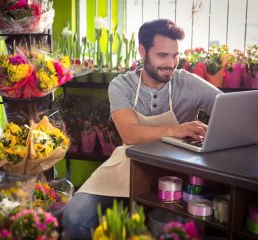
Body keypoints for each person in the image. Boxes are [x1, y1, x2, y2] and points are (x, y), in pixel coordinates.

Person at [61, 18, 222, 239]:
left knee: (168, 227)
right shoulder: (121, 85)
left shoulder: (188, 83)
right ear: (142, 51)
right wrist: (176, 129)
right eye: (162, 56)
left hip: (175, 171)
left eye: (175, 55)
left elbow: (228, 110)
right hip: (127, 165)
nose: (171, 63)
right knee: (74, 220)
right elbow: (130, 133)